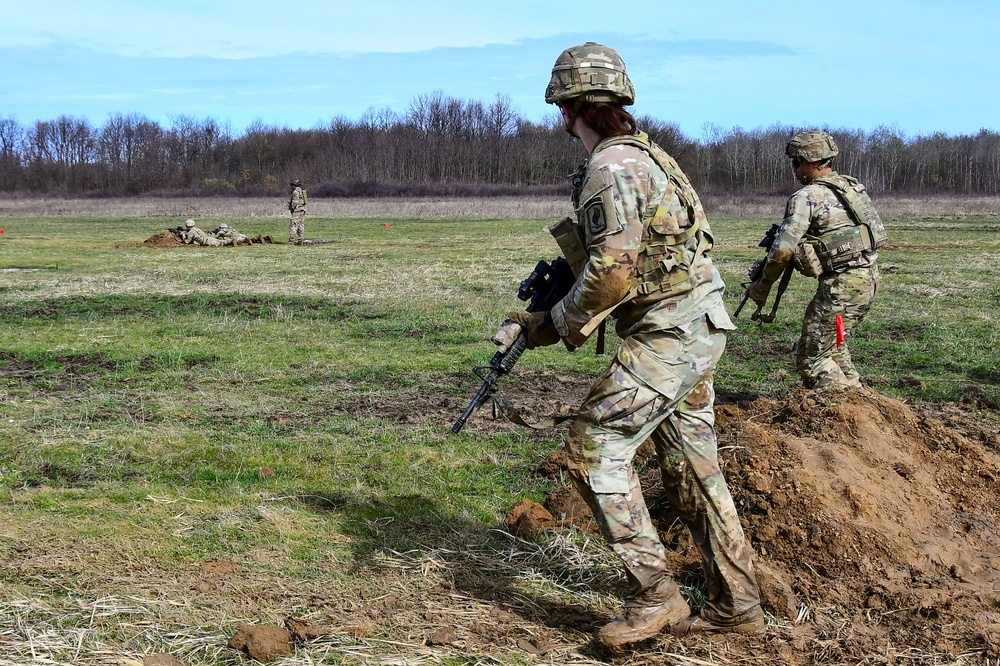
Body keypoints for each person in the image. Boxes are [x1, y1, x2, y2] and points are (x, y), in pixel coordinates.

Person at [503, 42, 763, 650]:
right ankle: (737, 602)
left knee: (596, 449)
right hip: (695, 325)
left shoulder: (612, 167)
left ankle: (657, 598)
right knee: (691, 468)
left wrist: (554, 324)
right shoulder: (648, 155)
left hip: (668, 334)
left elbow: (613, 272)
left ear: (568, 106)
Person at [747, 130, 886, 390]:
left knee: (813, 358)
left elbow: (781, 251)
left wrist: (763, 285)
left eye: (796, 163)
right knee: (832, 347)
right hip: (868, 280)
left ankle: (841, 417)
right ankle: (859, 403)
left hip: (841, 288)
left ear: (810, 161)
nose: (794, 169)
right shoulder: (851, 187)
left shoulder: (807, 197)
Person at [288, 179, 307, 245]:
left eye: (292, 185)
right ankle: (300, 241)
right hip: (302, 210)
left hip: (297, 211)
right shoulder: (300, 191)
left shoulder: (295, 192)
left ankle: (291, 241)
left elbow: (294, 202)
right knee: (301, 226)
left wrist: (292, 209)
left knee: (293, 225)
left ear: (294, 185)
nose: (291, 186)